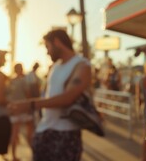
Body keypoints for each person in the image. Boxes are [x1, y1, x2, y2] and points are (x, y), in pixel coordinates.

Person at [7, 29, 91, 161]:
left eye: (48, 46)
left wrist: (29, 105)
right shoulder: (54, 67)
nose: (47, 52)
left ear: (57, 42)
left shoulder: (81, 65)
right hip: (44, 130)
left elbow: (68, 98)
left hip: (66, 134)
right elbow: (48, 97)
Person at [8, 63, 34, 161]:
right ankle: (34, 153)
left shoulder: (11, 81)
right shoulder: (24, 81)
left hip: (15, 110)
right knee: (30, 133)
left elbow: (8, 96)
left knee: (14, 133)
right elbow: (28, 95)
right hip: (25, 109)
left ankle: (14, 156)